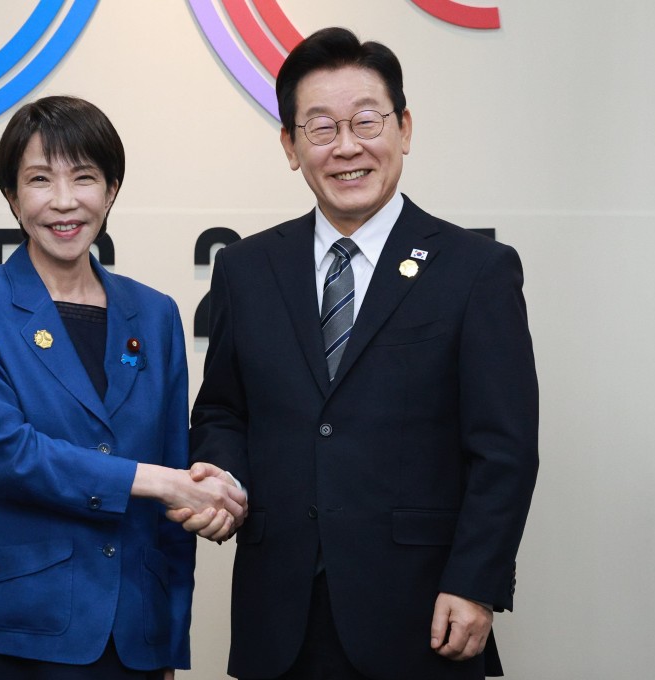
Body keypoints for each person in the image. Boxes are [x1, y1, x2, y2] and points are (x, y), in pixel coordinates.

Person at [181, 27, 539, 680]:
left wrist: (476, 581)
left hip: (423, 610)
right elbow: (223, 412)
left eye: (366, 121)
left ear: (404, 127)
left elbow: (505, 449)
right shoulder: (246, 268)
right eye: (320, 128)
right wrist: (220, 478)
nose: (347, 146)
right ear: (290, 146)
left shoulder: (475, 270)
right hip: (279, 615)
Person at [0, 95, 246, 680]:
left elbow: (177, 470)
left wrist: (167, 638)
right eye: (40, 180)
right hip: (14, 627)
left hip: (133, 635)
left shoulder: (154, 314)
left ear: (113, 190)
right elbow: (0, 453)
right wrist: (160, 482)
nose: (65, 201)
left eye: (85, 177)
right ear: (12, 196)